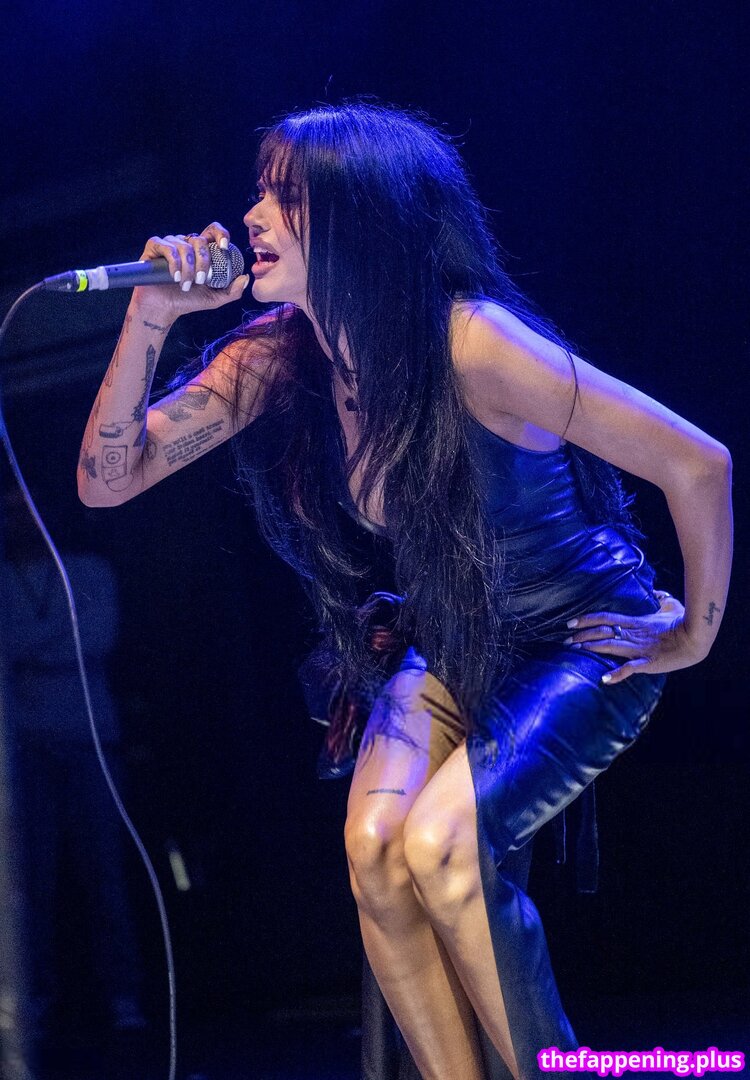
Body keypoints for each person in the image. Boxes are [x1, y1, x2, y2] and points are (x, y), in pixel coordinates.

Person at [77, 102, 732, 1080]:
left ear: (361, 220)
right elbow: (107, 478)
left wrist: (694, 633)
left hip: (576, 639)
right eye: (260, 192)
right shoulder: (285, 352)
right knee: (378, 847)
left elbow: (698, 462)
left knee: (442, 848)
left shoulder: (474, 344)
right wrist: (152, 314)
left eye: (286, 198)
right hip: (455, 640)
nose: (251, 216)